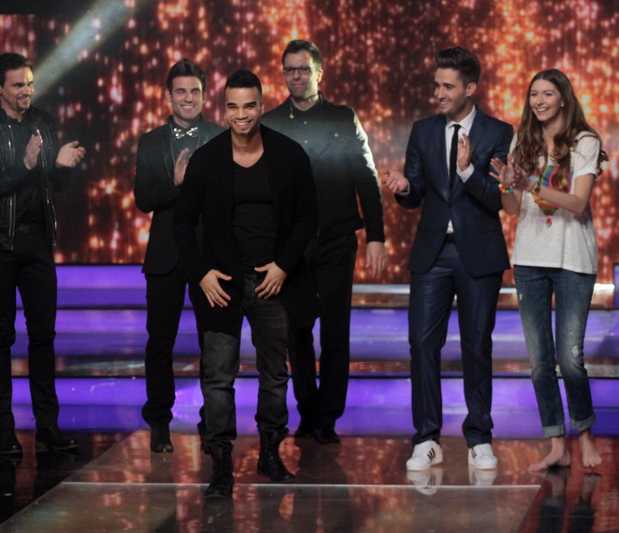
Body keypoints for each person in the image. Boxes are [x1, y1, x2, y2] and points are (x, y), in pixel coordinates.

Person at [173, 69, 318, 498]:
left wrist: (284, 266)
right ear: (224, 109)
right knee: (218, 378)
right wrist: (201, 273)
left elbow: (309, 215)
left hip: (273, 283)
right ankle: (221, 464)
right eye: (233, 106)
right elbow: (182, 222)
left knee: (275, 374)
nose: (241, 114)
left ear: (261, 105)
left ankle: (270, 454)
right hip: (222, 285)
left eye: (249, 105)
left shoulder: (288, 154)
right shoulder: (207, 159)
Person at [381, 47, 513, 471]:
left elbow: (499, 199)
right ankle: (426, 438)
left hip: (480, 252)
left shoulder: (499, 132)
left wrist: (468, 171)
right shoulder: (422, 130)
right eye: (436, 84)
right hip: (433, 252)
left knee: (477, 345)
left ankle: (479, 437)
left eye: (447, 86)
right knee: (422, 344)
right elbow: (417, 191)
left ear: (470, 89)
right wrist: (405, 187)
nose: (438, 93)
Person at [261, 39, 386, 444]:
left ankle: (328, 417)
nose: (296, 76)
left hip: (336, 239)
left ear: (319, 73)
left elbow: (366, 177)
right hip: (292, 247)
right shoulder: (271, 123)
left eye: (303, 69)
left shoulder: (343, 117)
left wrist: (376, 236)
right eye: (289, 70)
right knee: (296, 330)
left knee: (335, 330)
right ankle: (307, 412)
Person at [0, 53, 85, 457]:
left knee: (43, 336)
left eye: (29, 83)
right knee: (1, 334)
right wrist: (26, 164)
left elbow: (54, 185)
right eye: (18, 84)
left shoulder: (42, 122)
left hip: (36, 243)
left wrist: (62, 167)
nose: (26, 90)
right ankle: (6, 430)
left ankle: (48, 426)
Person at [490, 69, 607, 471]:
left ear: (563, 98)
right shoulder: (522, 140)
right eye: (534, 94)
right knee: (540, 361)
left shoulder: (585, 141)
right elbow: (511, 209)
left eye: (547, 94)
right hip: (529, 260)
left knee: (570, 359)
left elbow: (578, 203)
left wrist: (530, 184)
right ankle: (556, 443)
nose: (539, 101)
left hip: (573, 259)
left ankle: (585, 433)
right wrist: (507, 184)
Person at [134, 59, 223, 453]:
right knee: (160, 343)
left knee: (213, 343)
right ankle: (159, 422)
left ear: (204, 96)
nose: (188, 98)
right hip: (165, 255)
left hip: (208, 255)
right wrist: (175, 184)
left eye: (195, 91)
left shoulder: (221, 137)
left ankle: (212, 423)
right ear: (168, 96)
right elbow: (143, 198)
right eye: (181, 91)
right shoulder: (150, 141)